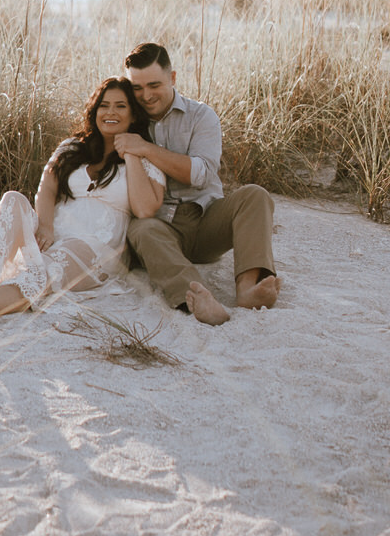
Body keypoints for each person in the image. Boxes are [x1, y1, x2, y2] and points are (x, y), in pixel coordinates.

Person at [0, 78, 165, 324]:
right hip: (52, 233)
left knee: (43, 268)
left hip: (96, 246)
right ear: (95, 111)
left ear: (134, 114)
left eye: (121, 106)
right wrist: (46, 226)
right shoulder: (72, 146)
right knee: (13, 200)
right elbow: (47, 187)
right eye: (104, 105)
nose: (111, 112)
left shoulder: (145, 159)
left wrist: (132, 151)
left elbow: (145, 209)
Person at [114, 41, 280, 325]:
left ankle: (247, 289)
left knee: (255, 195)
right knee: (142, 228)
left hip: (206, 221)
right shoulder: (126, 117)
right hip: (159, 228)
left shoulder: (202, 116)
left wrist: (145, 148)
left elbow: (200, 173)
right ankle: (198, 298)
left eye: (154, 85)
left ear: (173, 78)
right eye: (137, 88)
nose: (145, 96)